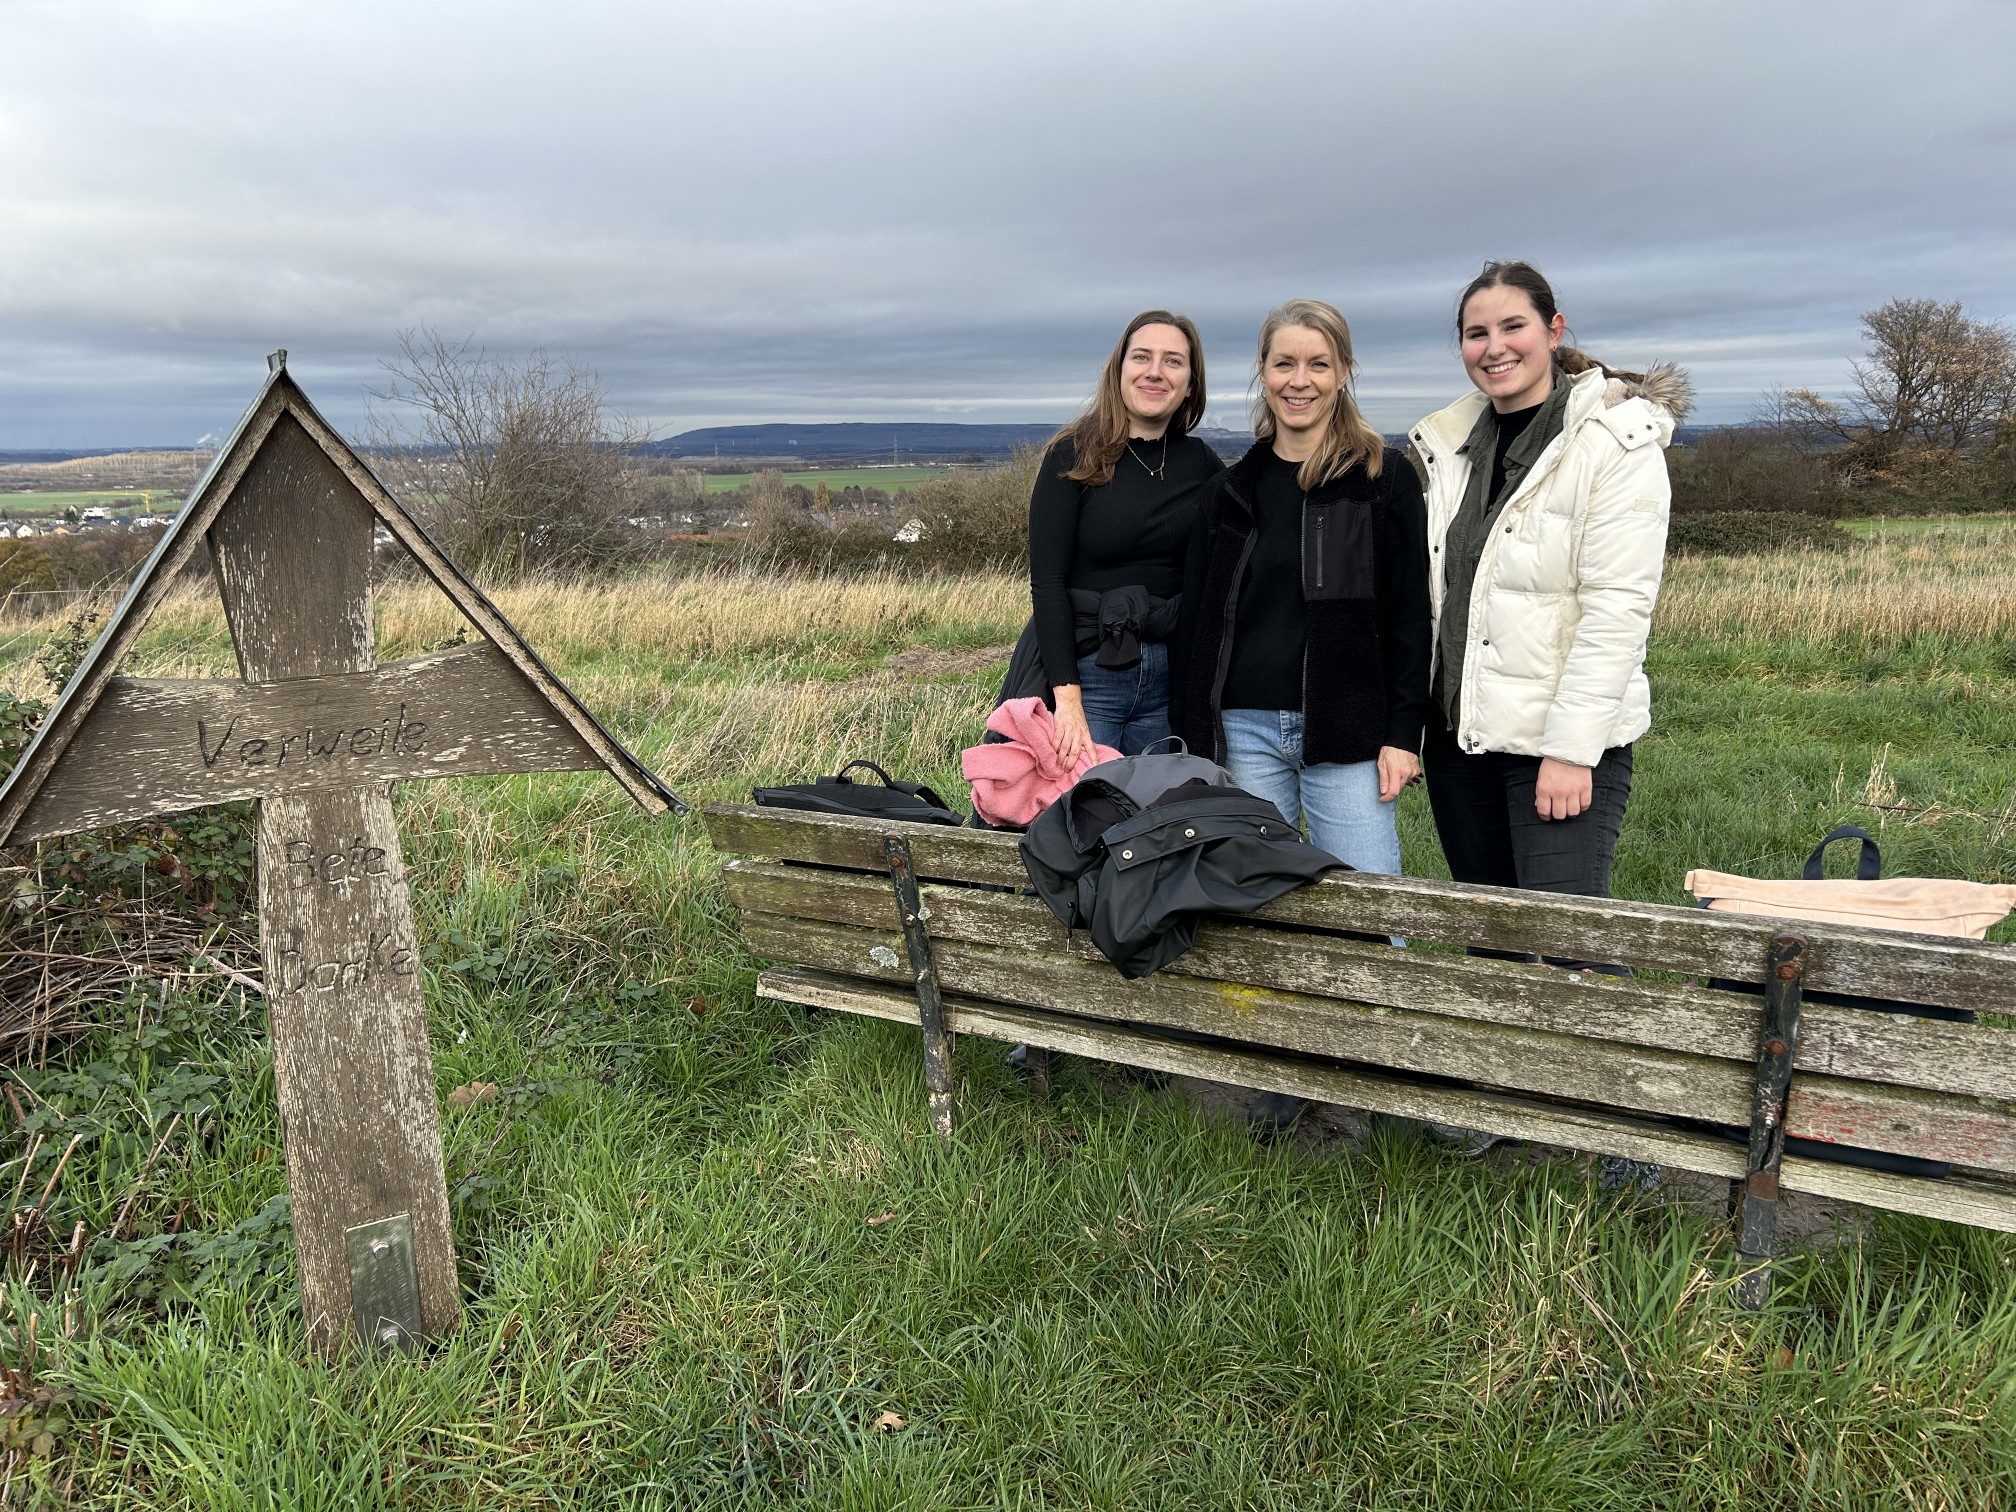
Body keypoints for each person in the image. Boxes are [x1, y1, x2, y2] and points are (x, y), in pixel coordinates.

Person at [1408, 260, 1689, 905]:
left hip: (1554, 744)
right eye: (1476, 333)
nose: (1494, 347)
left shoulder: (1614, 444)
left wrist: (1570, 753)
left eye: (1514, 326)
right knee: (1495, 943)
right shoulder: (1448, 447)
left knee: (1566, 946)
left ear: (1554, 329)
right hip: (1461, 738)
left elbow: (1616, 612)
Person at [1172, 299, 1431, 877]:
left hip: (1348, 726)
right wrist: (1192, 738)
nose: (1300, 381)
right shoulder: (1228, 493)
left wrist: (1403, 734)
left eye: (1318, 364)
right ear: (1263, 372)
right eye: (1284, 363)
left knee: (1372, 909)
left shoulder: (1383, 479)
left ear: (1342, 374)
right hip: (1243, 730)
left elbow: (1411, 615)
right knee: (1258, 905)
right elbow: (1197, 628)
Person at [1015, 311, 1224, 763]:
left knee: (1155, 823)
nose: (1155, 371)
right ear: (1120, 370)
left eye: (1173, 361)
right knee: (1083, 821)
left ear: (1190, 383)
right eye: (1142, 357)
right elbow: (1047, 584)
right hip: (1089, 676)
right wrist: (1067, 703)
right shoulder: (1072, 454)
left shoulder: (1202, 463)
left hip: (1171, 680)